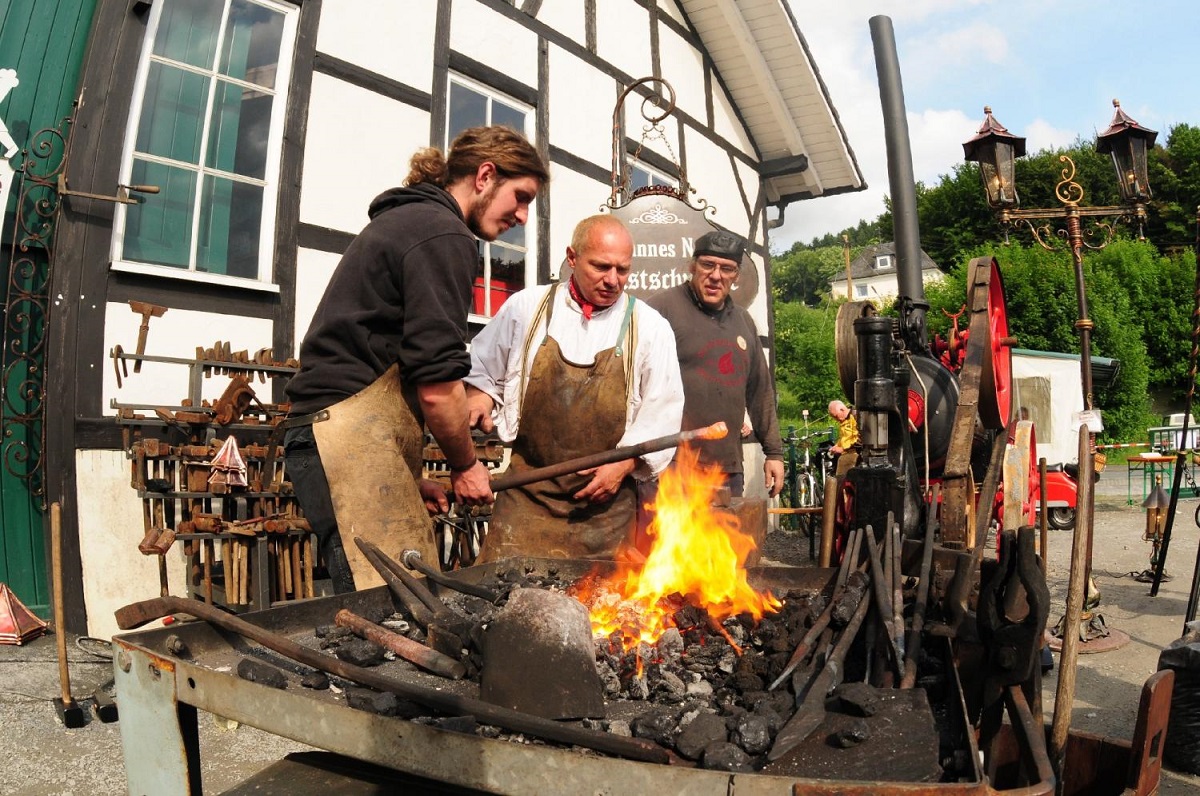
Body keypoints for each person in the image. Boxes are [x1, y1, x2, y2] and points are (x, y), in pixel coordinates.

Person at [283, 126, 549, 592]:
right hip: (340, 437)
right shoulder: (442, 234)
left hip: (342, 434)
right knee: (394, 612)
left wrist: (407, 478)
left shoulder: (414, 222)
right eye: (521, 197)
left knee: (405, 606)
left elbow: (388, 357)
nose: (523, 217)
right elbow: (438, 384)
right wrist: (465, 466)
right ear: (485, 175)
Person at [464, 214, 685, 562]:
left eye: (622, 270)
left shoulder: (650, 327)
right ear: (572, 257)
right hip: (526, 499)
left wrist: (625, 465)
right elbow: (481, 366)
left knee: (607, 610)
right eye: (601, 266)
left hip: (604, 512)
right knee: (504, 602)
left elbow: (663, 411)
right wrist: (478, 392)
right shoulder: (527, 308)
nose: (613, 280)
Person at [647, 230, 784, 498]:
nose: (716, 275)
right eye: (707, 265)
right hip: (672, 465)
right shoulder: (660, 310)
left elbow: (760, 392)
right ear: (692, 266)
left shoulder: (744, 322)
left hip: (727, 467)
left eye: (727, 268)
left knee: (727, 540)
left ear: (736, 276)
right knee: (668, 541)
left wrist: (774, 453)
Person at [828, 399, 860, 476]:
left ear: (842, 409)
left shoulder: (856, 416)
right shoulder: (843, 421)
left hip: (856, 453)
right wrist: (836, 446)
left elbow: (860, 440)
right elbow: (843, 438)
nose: (836, 419)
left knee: (843, 461)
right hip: (846, 452)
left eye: (836, 416)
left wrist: (843, 449)